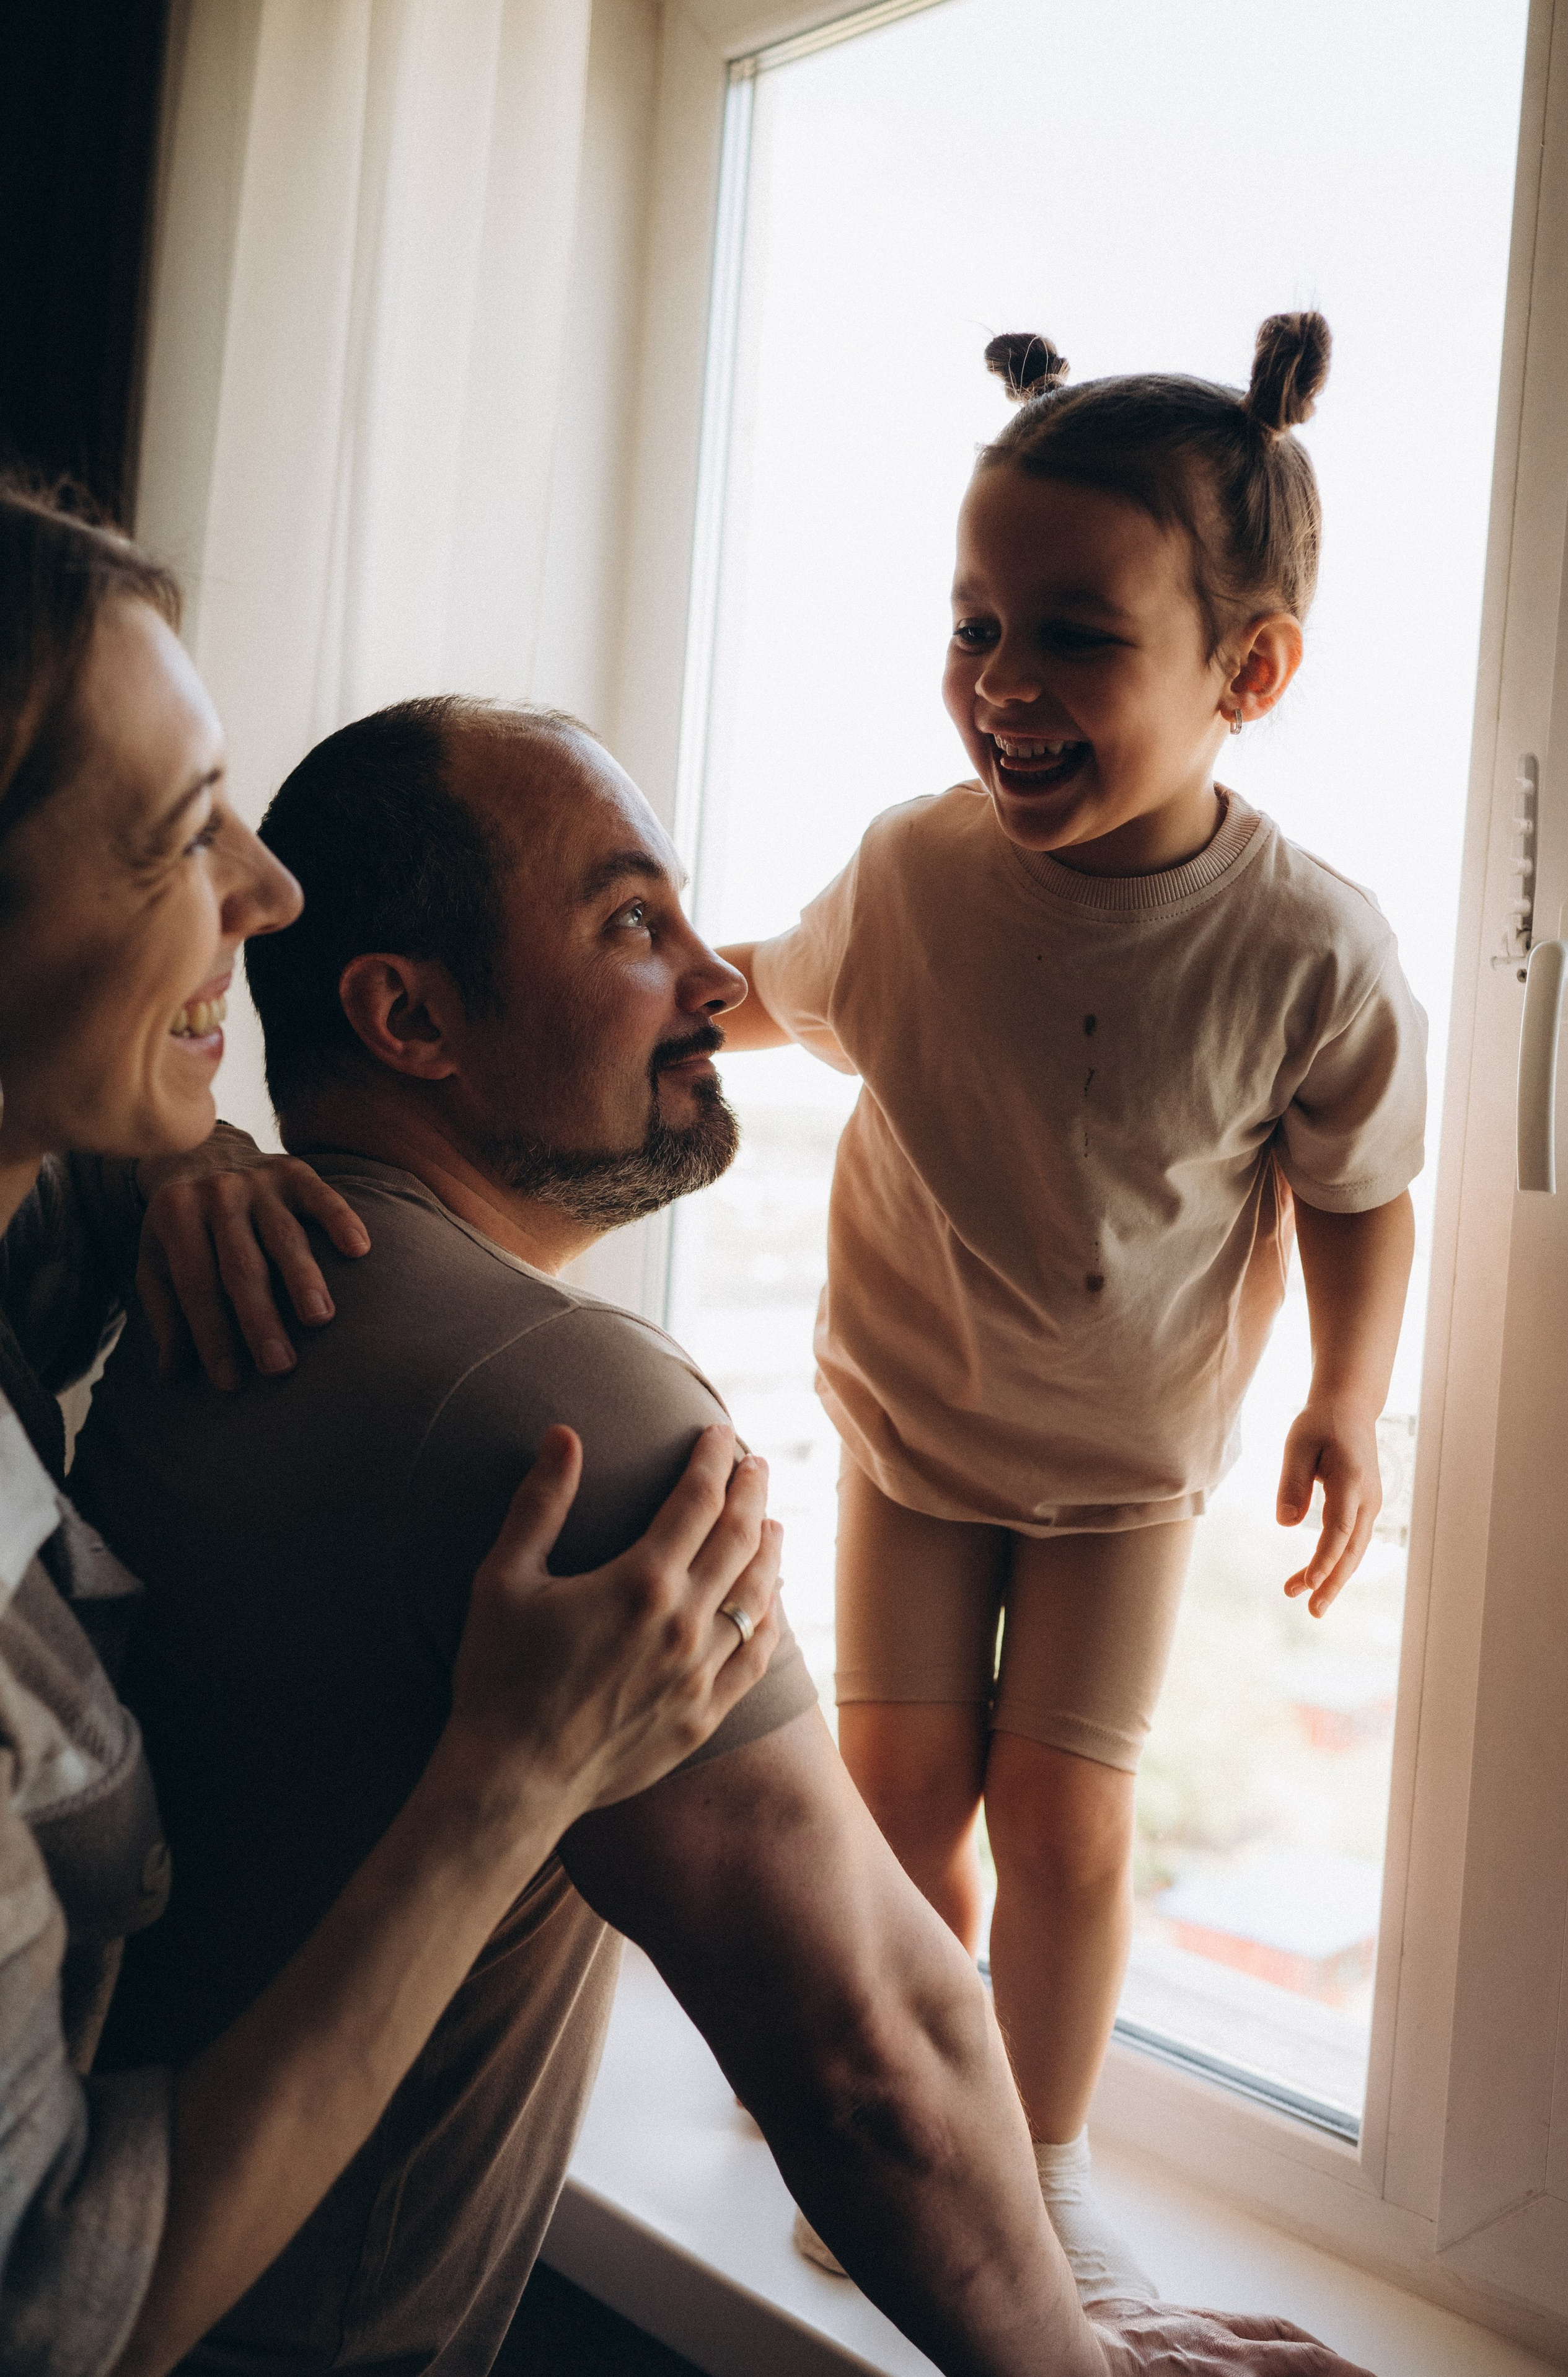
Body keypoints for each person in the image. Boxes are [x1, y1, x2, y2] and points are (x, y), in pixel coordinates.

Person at [75, 692, 1374, 2377]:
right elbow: (865, 2049)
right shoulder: (570, 1421)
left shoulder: (181, 1287)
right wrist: (1085, 2362)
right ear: (406, 1015)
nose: (714, 978)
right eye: (632, 920)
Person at [0, 479, 788, 2377]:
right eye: (186, 836)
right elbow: (54, 2316)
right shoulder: (576, 1418)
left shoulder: (101, 1230)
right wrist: (509, 1781)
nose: (262, 896)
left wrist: (194, 1152)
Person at [716, 316, 1425, 2296]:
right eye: (974, 630)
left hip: (1123, 1462)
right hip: (918, 1421)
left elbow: (1362, 1188)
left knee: (1067, 1812)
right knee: (900, 1794)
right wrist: (637, 1001)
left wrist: (1351, 1398)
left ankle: (1031, 2156)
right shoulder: (919, 874)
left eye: (1076, 639)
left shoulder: (1310, 946)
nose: (1004, 688)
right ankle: (888, 2094)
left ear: (1248, 670)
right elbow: (777, 985)